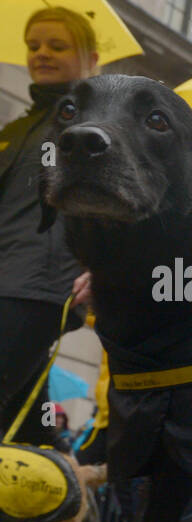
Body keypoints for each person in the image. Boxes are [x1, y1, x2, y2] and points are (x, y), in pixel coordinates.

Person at [0, 8, 98, 450]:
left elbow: (134, 204)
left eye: (57, 46)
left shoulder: (98, 124)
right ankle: (71, 507)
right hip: (10, 281)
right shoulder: (22, 126)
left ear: (91, 58)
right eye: (34, 44)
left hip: (37, 289)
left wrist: (108, 268)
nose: (42, 53)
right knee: (27, 432)